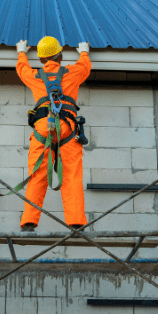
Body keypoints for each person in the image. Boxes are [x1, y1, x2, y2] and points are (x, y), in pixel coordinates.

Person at [15, 36, 91, 231]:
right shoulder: (72, 73)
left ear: (41, 59)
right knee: (71, 175)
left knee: (37, 173)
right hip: (68, 127)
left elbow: (22, 70)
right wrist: (84, 51)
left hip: (43, 128)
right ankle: (76, 222)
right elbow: (84, 66)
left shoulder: (35, 76)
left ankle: (29, 222)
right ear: (60, 55)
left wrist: (21, 52)